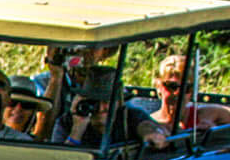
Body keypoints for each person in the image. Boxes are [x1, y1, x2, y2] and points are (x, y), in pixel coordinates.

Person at [40, 46, 170, 151]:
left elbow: (145, 125)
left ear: (118, 102)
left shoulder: (128, 117)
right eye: (94, 102)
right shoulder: (67, 122)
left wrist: (151, 134)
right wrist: (77, 130)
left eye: (107, 102)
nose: (101, 108)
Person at [147, 53, 230, 136]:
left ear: (192, 91)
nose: (178, 93)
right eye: (172, 86)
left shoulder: (205, 114)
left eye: (186, 88)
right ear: (158, 86)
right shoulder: (149, 123)